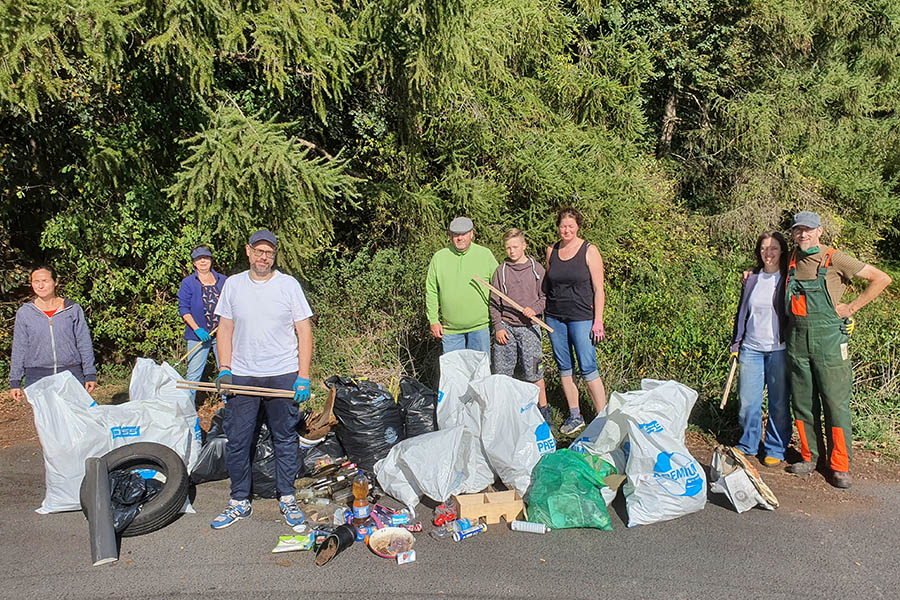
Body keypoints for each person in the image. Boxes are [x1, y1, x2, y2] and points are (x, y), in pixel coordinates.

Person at [210, 229, 314, 528]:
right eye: (259, 251)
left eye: (268, 252)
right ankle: (239, 501)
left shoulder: (288, 285)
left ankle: (287, 496)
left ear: (274, 255)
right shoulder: (233, 285)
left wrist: (303, 376)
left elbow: (304, 330)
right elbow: (225, 328)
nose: (263, 256)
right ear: (248, 251)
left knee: (284, 438)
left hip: (282, 374)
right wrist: (225, 368)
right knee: (239, 440)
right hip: (242, 374)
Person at [785, 211, 892, 488]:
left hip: (830, 343)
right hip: (797, 341)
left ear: (820, 231)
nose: (803, 235)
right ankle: (810, 457)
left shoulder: (835, 258)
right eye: (798, 231)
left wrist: (851, 308)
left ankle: (840, 465)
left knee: (835, 405)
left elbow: (881, 279)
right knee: (803, 404)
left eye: (808, 230)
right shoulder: (792, 259)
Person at [729, 232, 791, 467]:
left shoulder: (788, 278)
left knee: (778, 402)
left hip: (779, 350)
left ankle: (776, 447)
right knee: (748, 402)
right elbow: (742, 313)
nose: (769, 252)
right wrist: (737, 343)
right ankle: (748, 443)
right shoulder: (752, 278)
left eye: (774, 248)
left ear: (782, 251)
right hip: (751, 349)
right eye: (764, 248)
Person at [543, 207, 607, 435]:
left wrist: (598, 321)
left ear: (578, 226)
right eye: (562, 226)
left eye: (570, 226)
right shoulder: (552, 250)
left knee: (588, 366)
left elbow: (599, 289)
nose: (566, 230)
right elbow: (547, 284)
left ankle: (603, 417)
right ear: (558, 227)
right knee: (565, 367)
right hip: (555, 317)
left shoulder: (589, 250)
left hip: (582, 317)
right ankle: (574, 415)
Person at [489, 228, 550, 423]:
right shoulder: (501, 272)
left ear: (524, 246)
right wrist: (498, 326)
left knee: (535, 371)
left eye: (515, 247)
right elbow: (494, 302)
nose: (511, 251)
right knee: (502, 373)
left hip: (530, 327)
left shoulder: (536, 269)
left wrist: (534, 309)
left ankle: (543, 411)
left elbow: (546, 297)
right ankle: (505, 413)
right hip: (506, 327)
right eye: (508, 248)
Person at [9, 266, 97, 401]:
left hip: (70, 374)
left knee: (73, 420)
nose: (40, 285)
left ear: (55, 282)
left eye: (45, 280)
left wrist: (89, 373)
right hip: (37, 377)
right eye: (36, 281)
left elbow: (83, 341)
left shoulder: (72, 309)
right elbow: (19, 347)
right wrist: (15, 380)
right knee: (46, 421)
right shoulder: (25, 312)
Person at [425, 216, 499, 354]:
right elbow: (431, 290)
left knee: (480, 372)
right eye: (455, 234)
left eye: (463, 234)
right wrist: (433, 320)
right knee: (453, 374)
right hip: (450, 331)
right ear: (450, 236)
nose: (460, 238)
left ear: (472, 233)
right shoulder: (439, 257)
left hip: (480, 328)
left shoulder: (485, 255)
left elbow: (500, 284)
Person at [177, 245, 227, 402]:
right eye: (199, 259)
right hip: (198, 335)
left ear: (211, 260)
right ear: (194, 263)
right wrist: (197, 329)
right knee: (193, 376)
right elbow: (183, 308)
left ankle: (230, 407)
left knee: (226, 372)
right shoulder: (188, 283)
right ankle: (188, 411)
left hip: (222, 335)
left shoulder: (223, 280)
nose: (203, 261)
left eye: (206, 257)